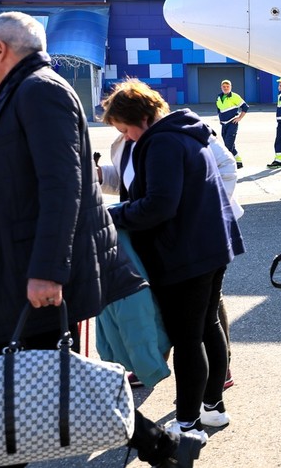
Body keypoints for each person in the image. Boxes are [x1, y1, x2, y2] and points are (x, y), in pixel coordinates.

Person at [0, 12, 203, 467]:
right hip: (20, 267)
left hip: (35, 272)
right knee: (52, 375)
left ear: (0, 49)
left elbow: (63, 186)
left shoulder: (40, 91)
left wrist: (47, 271)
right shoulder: (21, 90)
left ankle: (163, 448)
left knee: (26, 376)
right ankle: (165, 449)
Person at [103, 79, 245, 443]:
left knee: (187, 339)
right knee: (208, 325)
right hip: (211, 247)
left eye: (126, 129)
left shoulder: (161, 142)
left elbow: (159, 205)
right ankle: (212, 409)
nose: (128, 138)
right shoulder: (184, 132)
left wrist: (113, 215)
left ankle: (187, 424)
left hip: (186, 254)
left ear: (143, 117)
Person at [216, 79, 250, 168]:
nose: (226, 88)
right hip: (224, 125)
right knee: (230, 145)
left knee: (227, 145)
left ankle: (226, 164)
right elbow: (219, 109)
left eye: (227, 86)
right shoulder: (219, 97)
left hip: (232, 124)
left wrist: (239, 118)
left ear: (231, 87)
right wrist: (220, 119)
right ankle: (238, 162)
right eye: (224, 87)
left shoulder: (235, 96)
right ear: (221, 87)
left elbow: (245, 107)